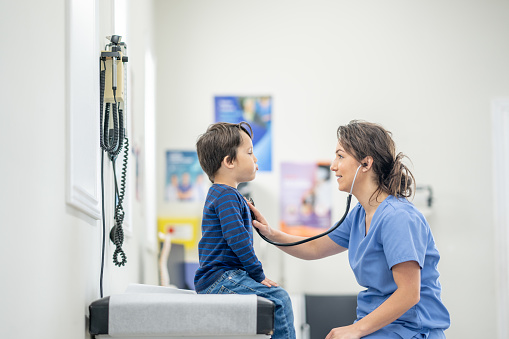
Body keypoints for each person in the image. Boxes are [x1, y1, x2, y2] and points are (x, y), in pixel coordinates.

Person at [248, 120, 450, 339]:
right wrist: (270, 233)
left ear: (366, 163)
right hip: (377, 327)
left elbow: (409, 294)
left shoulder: (398, 217)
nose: (333, 166)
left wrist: (355, 329)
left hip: (410, 330)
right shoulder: (360, 214)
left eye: (340, 156)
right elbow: (315, 247)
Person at [194, 121, 296, 339]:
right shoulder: (226, 195)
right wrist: (257, 274)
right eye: (250, 152)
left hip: (222, 277)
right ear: (229, 161)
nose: (255, 159)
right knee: (279, 299)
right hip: (221, 278)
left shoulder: (223, 194)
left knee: (276, 297)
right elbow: (237, 240)